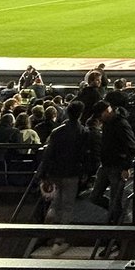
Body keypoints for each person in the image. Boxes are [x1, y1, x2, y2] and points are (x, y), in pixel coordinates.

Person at [38, 100, 89, 253]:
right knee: (67, 206)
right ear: (80, 114)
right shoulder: (83, 132)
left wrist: (44, 174)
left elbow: (48, 154)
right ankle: (60, 239)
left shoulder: (57, 131)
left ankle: (48, 234)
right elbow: (84, 155)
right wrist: (85, 172)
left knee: (54, 203)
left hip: (55, 172)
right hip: (72, 173)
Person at [91, 98, 135, 225]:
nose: (99, 119)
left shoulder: (120, 123)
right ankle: (117, 217)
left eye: (100, 116)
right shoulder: (111, 122)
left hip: (117, 166)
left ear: (107, 111)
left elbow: (132, 147)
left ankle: (115, 225)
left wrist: (126, 167)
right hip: (108, 164)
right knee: (98, 197)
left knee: (113, 199)